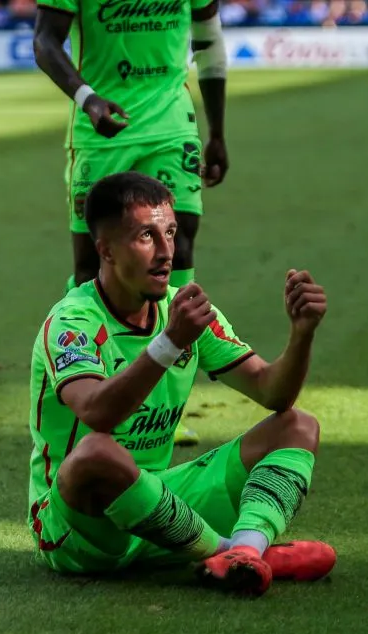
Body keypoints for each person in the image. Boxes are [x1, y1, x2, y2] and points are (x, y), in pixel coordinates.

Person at [26, 172, 336, 597]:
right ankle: (228, 550)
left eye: (170, 233)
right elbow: (97, 413)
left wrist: (302, 334)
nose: (166, 251)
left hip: (161, 510)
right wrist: (168, 344)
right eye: (146, 236)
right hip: (78, 527)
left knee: (298, 425)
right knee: (96, 453)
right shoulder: (72, 322)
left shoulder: (181, 309)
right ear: (106, 250)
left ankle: (244, 551)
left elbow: (272, 392)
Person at [33, 0, 230, 446]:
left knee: (175, 249)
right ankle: (89, 385)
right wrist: (86, 98)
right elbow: (45, 41)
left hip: (171, 126)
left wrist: (217, 132)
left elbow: (209, 39)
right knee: (92, 264)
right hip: (102, 129)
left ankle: (164, 405)